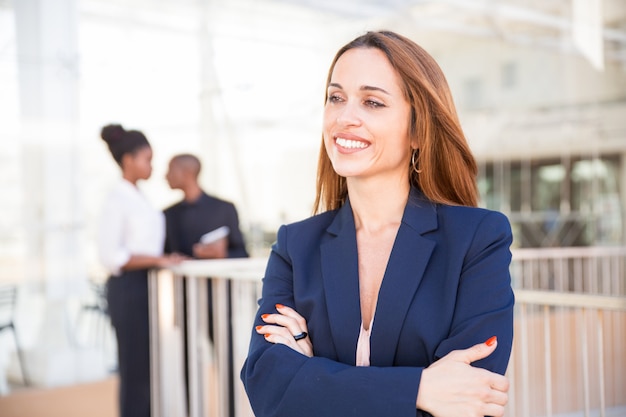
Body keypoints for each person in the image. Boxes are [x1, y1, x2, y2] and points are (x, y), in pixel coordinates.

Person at [240, 30, 515, 417]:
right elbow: (268, 385)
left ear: (418, 130)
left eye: (372, 102)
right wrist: (418, 389)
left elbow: (470, 397)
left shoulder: (477, 239)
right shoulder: (295, 245)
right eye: (336, 97)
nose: (345, 117)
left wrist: (310, 374)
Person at [97, 124, 182, 417]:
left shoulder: (137, 197)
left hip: (146, 288)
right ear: (129, 160)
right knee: (135, 371)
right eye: (147, 159)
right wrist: (158, 260)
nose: (152, 166)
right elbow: (110, 256)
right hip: (129, 290)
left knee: (149, 368)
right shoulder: (116, 199)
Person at [163, 153, 248, 260]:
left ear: (187, 172)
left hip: (218, 276)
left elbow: (242, 253)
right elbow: (163, 253)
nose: (166, 176)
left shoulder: (224, 209)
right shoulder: (168, 214)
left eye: (171, 169)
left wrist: (221, 254)